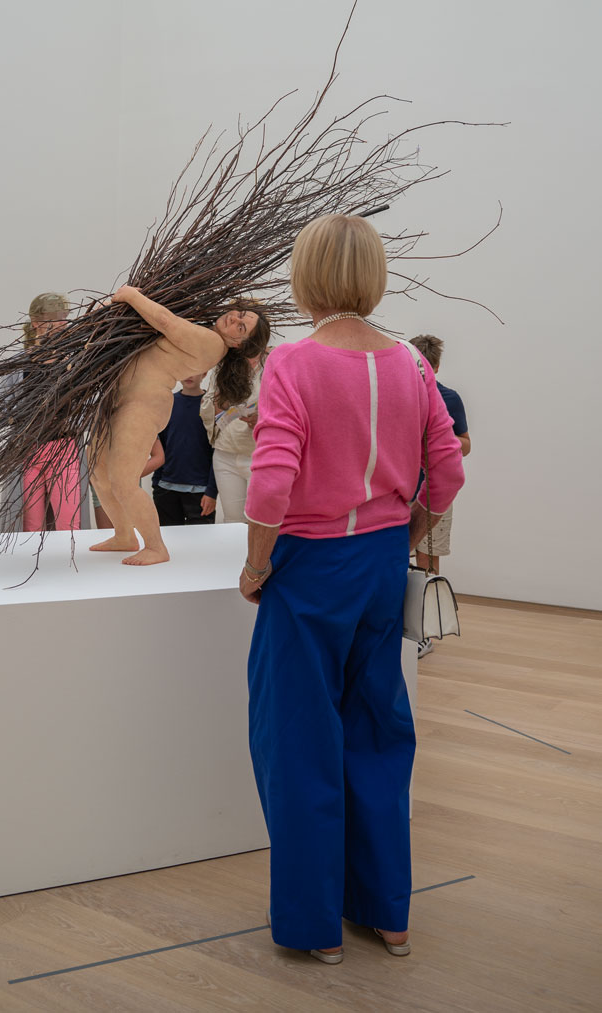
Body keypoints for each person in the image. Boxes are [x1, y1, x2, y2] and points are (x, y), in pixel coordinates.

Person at [239, 214, 465, 964]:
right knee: (377, 732)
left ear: (305, 276)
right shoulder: (411, 363)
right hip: (378, 566)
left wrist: (255, 565)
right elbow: (448, 470)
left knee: (299, 741)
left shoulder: (293, 362)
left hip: (309, 567)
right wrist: (402, 534)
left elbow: (271, 480)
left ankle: (315, 926)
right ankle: (387, 914)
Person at [89, 289, 269, 564]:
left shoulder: (212, 343)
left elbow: (166, 321)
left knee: (124, 480)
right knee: (99, 473)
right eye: (239, 314)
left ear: (239, 344)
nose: (234, 319)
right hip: (119, 395)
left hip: (143, 403)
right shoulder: (206, 329)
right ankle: (124, 534)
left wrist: (131, 296)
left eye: (241, 327)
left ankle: (155, 547)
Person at [0, 293, 91, 532]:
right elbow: (4, 408)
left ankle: (69, 558)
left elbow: (86, 406)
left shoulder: (75, 363)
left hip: (64, 449)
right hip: (28, 450)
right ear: (36, 322)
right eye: (54, 318)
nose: (61, 324)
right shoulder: (18, 365)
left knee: (69, 524)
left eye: (64, 318)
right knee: (31, 526)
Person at [410, 333, 471, 659]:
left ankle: (425, 632)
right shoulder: (396, 393)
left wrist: (439, 437)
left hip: (435, 494)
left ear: (434, 366)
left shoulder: (449, 398)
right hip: (397, 491)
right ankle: (403, 628)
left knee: (428, 560)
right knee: (396, 560)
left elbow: (466, 444)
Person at [199, 334, 269, 523]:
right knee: (232, 521)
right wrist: (218, 404)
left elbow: (289, 405)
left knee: (260, 521)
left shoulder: (274, 362)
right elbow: (209, 405)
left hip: (259, 454)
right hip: (225, 453)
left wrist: (263, 418)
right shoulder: (226, 365)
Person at [152, 373, 218, 526]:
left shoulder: (211, 405)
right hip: (166, 489)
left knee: (200, 540)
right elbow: (160, 446)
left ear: (204, 373)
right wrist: (157, 483)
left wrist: (212, 491)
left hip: (201, 492)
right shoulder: (168, 403)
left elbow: (217, 451)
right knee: (169, 539)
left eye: (194, 370)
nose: (189, 375)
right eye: (185, 370)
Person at [92, 440, 165, 529]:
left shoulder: (140, 429)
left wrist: (128, 475)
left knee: (133, 536)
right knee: (107, 534)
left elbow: (159, 456)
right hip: (102, 491)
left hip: (128, 493)